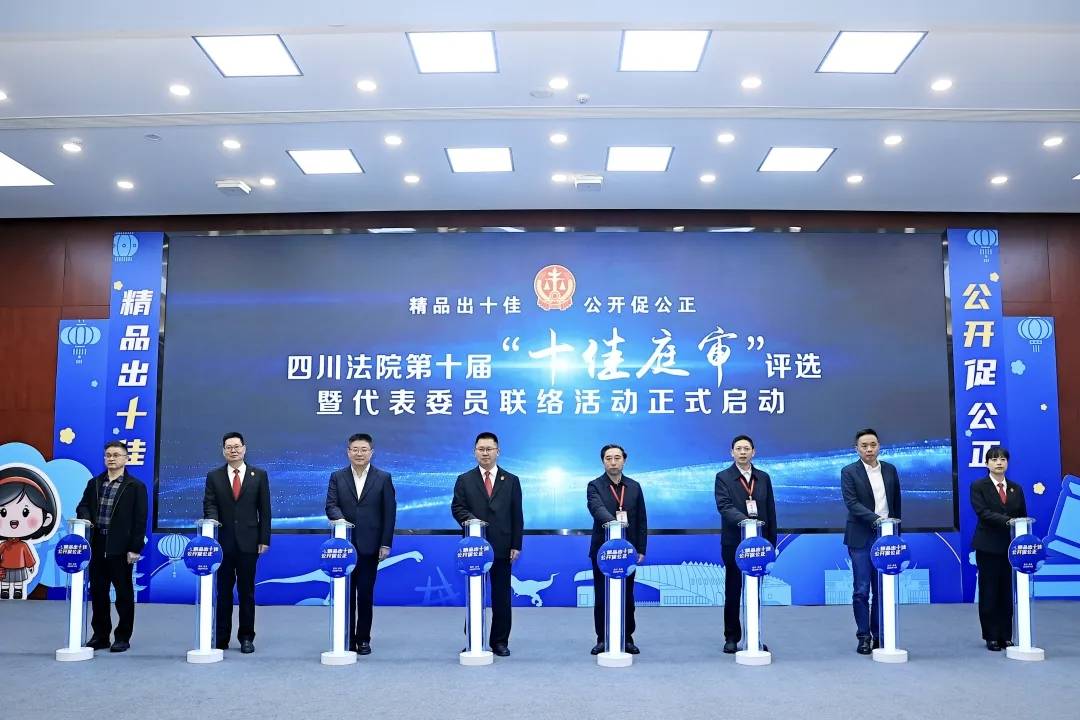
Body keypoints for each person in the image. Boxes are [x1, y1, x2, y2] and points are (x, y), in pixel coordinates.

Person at [451, 431, 523, 657]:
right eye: (481, 449)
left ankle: (499, 641)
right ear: (475, 452)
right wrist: (472, 521)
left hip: (503, 546)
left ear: (497, 451)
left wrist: (516, 544)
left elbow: (517, 515)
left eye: (489, 449)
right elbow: (457, 508)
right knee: (475, 594)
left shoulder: (511, 480)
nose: (485, 453)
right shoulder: (464, 479)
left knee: (501, 596)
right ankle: (474, 639)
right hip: (474, 548)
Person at [325, 433, 396, 655]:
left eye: (363, 449)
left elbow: (389, 514)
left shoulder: (383, 478)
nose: (359, 453)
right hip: (343, 548)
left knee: (365, 595)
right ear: (348, 452)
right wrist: (341, 521)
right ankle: (346, 638)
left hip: (370, 546)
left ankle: (363, 639)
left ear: (371, 453)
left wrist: (385, 543)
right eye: (355, 449)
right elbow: (331, 505)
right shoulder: (337, 477)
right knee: (345, 595)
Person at [202, 431, 272, 654]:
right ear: (223, 451)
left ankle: (246, 637)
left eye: (236, 446)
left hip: (249, 543)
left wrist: (264, 539)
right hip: (222, 543)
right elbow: (209, 504)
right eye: (229, 447)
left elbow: (265, 510)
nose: (233, 450)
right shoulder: (214, 476)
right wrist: (212, 522)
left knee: (246, 591)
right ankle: (221, 637)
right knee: (222, 591)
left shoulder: (258, 475)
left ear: (244, 448)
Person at [76, 441, 148, 653]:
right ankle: (100, 636)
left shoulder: (135, 486)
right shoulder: (95, 483)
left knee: (124, 595)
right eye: (108, 455)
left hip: (121, 548)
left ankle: (123, 637)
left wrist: (135, 548)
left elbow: (140, 520)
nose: (111, 458)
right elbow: (82, 506)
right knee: (98, 593)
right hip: (97, 544)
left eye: (116, 455)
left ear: (126, 459)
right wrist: (87, 518)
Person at [840, 428, 902, 655]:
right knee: (862, 589)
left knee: (882, 589)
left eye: (873, 445)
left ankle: (880, 635)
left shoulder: (890, 470)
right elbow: (852, 503)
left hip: (886, 537)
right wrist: (877, 520)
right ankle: (864, 637)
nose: (869, 449)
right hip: (861, 537)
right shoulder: (849, 472)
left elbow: (896, 503)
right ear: (856, 448)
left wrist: (895, 533)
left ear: (879, 446)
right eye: (864, 446)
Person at [714, 434, 778, 654]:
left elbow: (770, 511)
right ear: (732, 453)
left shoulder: (763, 478)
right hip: (734, 543)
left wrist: (771, 543)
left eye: (746, 448)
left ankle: (754, 637)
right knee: (733, 591)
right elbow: (724, 506)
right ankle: (732, 637)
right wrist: (746, 521)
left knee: (755, 592)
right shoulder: (723, 477)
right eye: (738, 449)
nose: (742, 452)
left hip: (759, 545)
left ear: (753, 452)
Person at [587, 443, 647, 656]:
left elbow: (641, 520)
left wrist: (641, 548)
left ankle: (627, 638)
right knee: (602, 596)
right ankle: (602, 639)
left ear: (624, 460)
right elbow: (596, 508)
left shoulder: (634, 486)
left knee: (627, 597)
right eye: (608, 458)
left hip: (627, 552)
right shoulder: (594, 485)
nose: (613, 462)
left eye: (617, 458)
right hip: (602, 551)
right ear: (603, 461)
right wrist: (614, 523)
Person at [971, 446, 1027, 651]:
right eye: (994, 459)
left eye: (1003, 459)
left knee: (1006, 592)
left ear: (1007, 463)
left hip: (1010, 548)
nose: (999, 463)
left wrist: (1019, 528)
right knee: (989, 591)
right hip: (987, 546)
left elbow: (1022, 515)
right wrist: (1008, 521)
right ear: (987, 464)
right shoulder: (979, 486)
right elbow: (983, 513)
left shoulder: (1016, 488)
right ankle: (991, 636)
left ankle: (1006, 635)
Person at [0, 466, 60, 600]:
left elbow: (28, 557)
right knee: (5, 581)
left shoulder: (23, 545)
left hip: (19, 566)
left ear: (46, 519)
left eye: (25, 512)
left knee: (18, 582)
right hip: (5, 566)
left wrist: (31, 566)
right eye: (3, 512)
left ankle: (17, 591)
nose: (14, 520)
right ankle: (4, 591)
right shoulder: (4, 545)